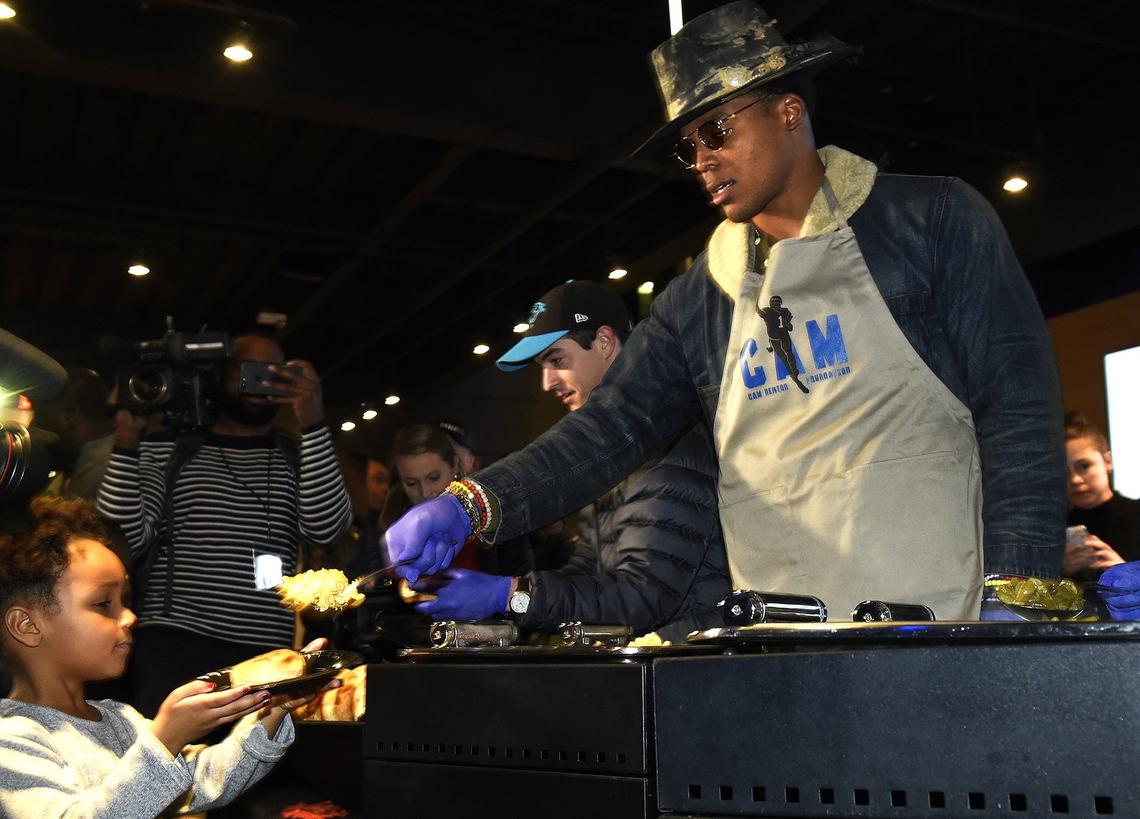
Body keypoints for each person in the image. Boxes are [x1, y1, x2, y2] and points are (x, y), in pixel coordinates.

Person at [385, 1, 1065, 621]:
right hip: (781, 640)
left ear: (789, 112)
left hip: (939, 621)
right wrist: (471, 502)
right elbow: (605, 432)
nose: (702, 160)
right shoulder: (701, 297)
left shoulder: (932, 222)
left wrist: (1016, 590)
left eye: (717, 130)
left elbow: (1018, 408)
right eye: (689, 147)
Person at [417, 281, 730, 641]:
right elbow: (591, 568)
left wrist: (512, 596)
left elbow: (642, 596)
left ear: (605, 342)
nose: (546, 383)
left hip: (693, 670)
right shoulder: (603, 457)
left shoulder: (670, 444)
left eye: (557, 360)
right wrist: (511, 591)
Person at [0, 495, 337, 817]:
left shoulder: (121, 720)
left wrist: (272, 710)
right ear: (27, 625)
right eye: (103, 604)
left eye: (127, 601)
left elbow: (207, 779)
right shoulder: (12, 740)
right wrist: (166, 739)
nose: (131, 617)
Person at [97, 332, 352, 716]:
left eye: (274, 374)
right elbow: (124, 538)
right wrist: (127, 439)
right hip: (173, 642)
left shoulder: (295, 455)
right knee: (166, 766)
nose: (261, 383)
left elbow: (327, 529)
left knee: (252, 767)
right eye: (247, 371)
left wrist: (314, 422)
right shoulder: (171, 447)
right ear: (218, 374)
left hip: (265, 652)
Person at [1062, 412, 1139, 580]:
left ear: (1107, 461)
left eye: (1084, 466)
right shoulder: (1054, 531)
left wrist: (1127, 573)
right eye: (1063, 472)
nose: (1075, 479)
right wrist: (1062, 573)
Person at [32, 367, 114, 500]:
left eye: (42, 416)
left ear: (69, 417)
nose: (33, 425)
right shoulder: (95, 460)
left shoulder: (99, 477)